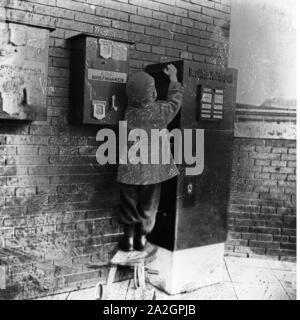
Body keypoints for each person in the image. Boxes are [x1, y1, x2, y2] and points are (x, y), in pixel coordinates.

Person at [117, 64, 184, 251]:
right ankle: (142, 238)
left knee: (129, 201)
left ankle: (128, 238)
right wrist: (173, 79)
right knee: (149, 204)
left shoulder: (127, 112)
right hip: (152, 169)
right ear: (152, 91)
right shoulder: (160, 111)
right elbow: (175, 101)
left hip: (129, 167)